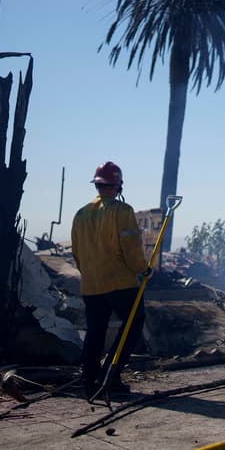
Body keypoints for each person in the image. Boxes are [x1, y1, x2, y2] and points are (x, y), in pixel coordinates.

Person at [71, 161, 152, 399]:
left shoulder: (81, 213)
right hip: (120, 283)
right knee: (133, 324)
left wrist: (89, 273)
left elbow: (76, 252)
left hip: (91, 285)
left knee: (95, 331)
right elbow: (130, 248)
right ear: (118, 185)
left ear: (97, 185)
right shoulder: (122, 211)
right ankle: (111, 376)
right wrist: (143, 269)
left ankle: (89, 379)